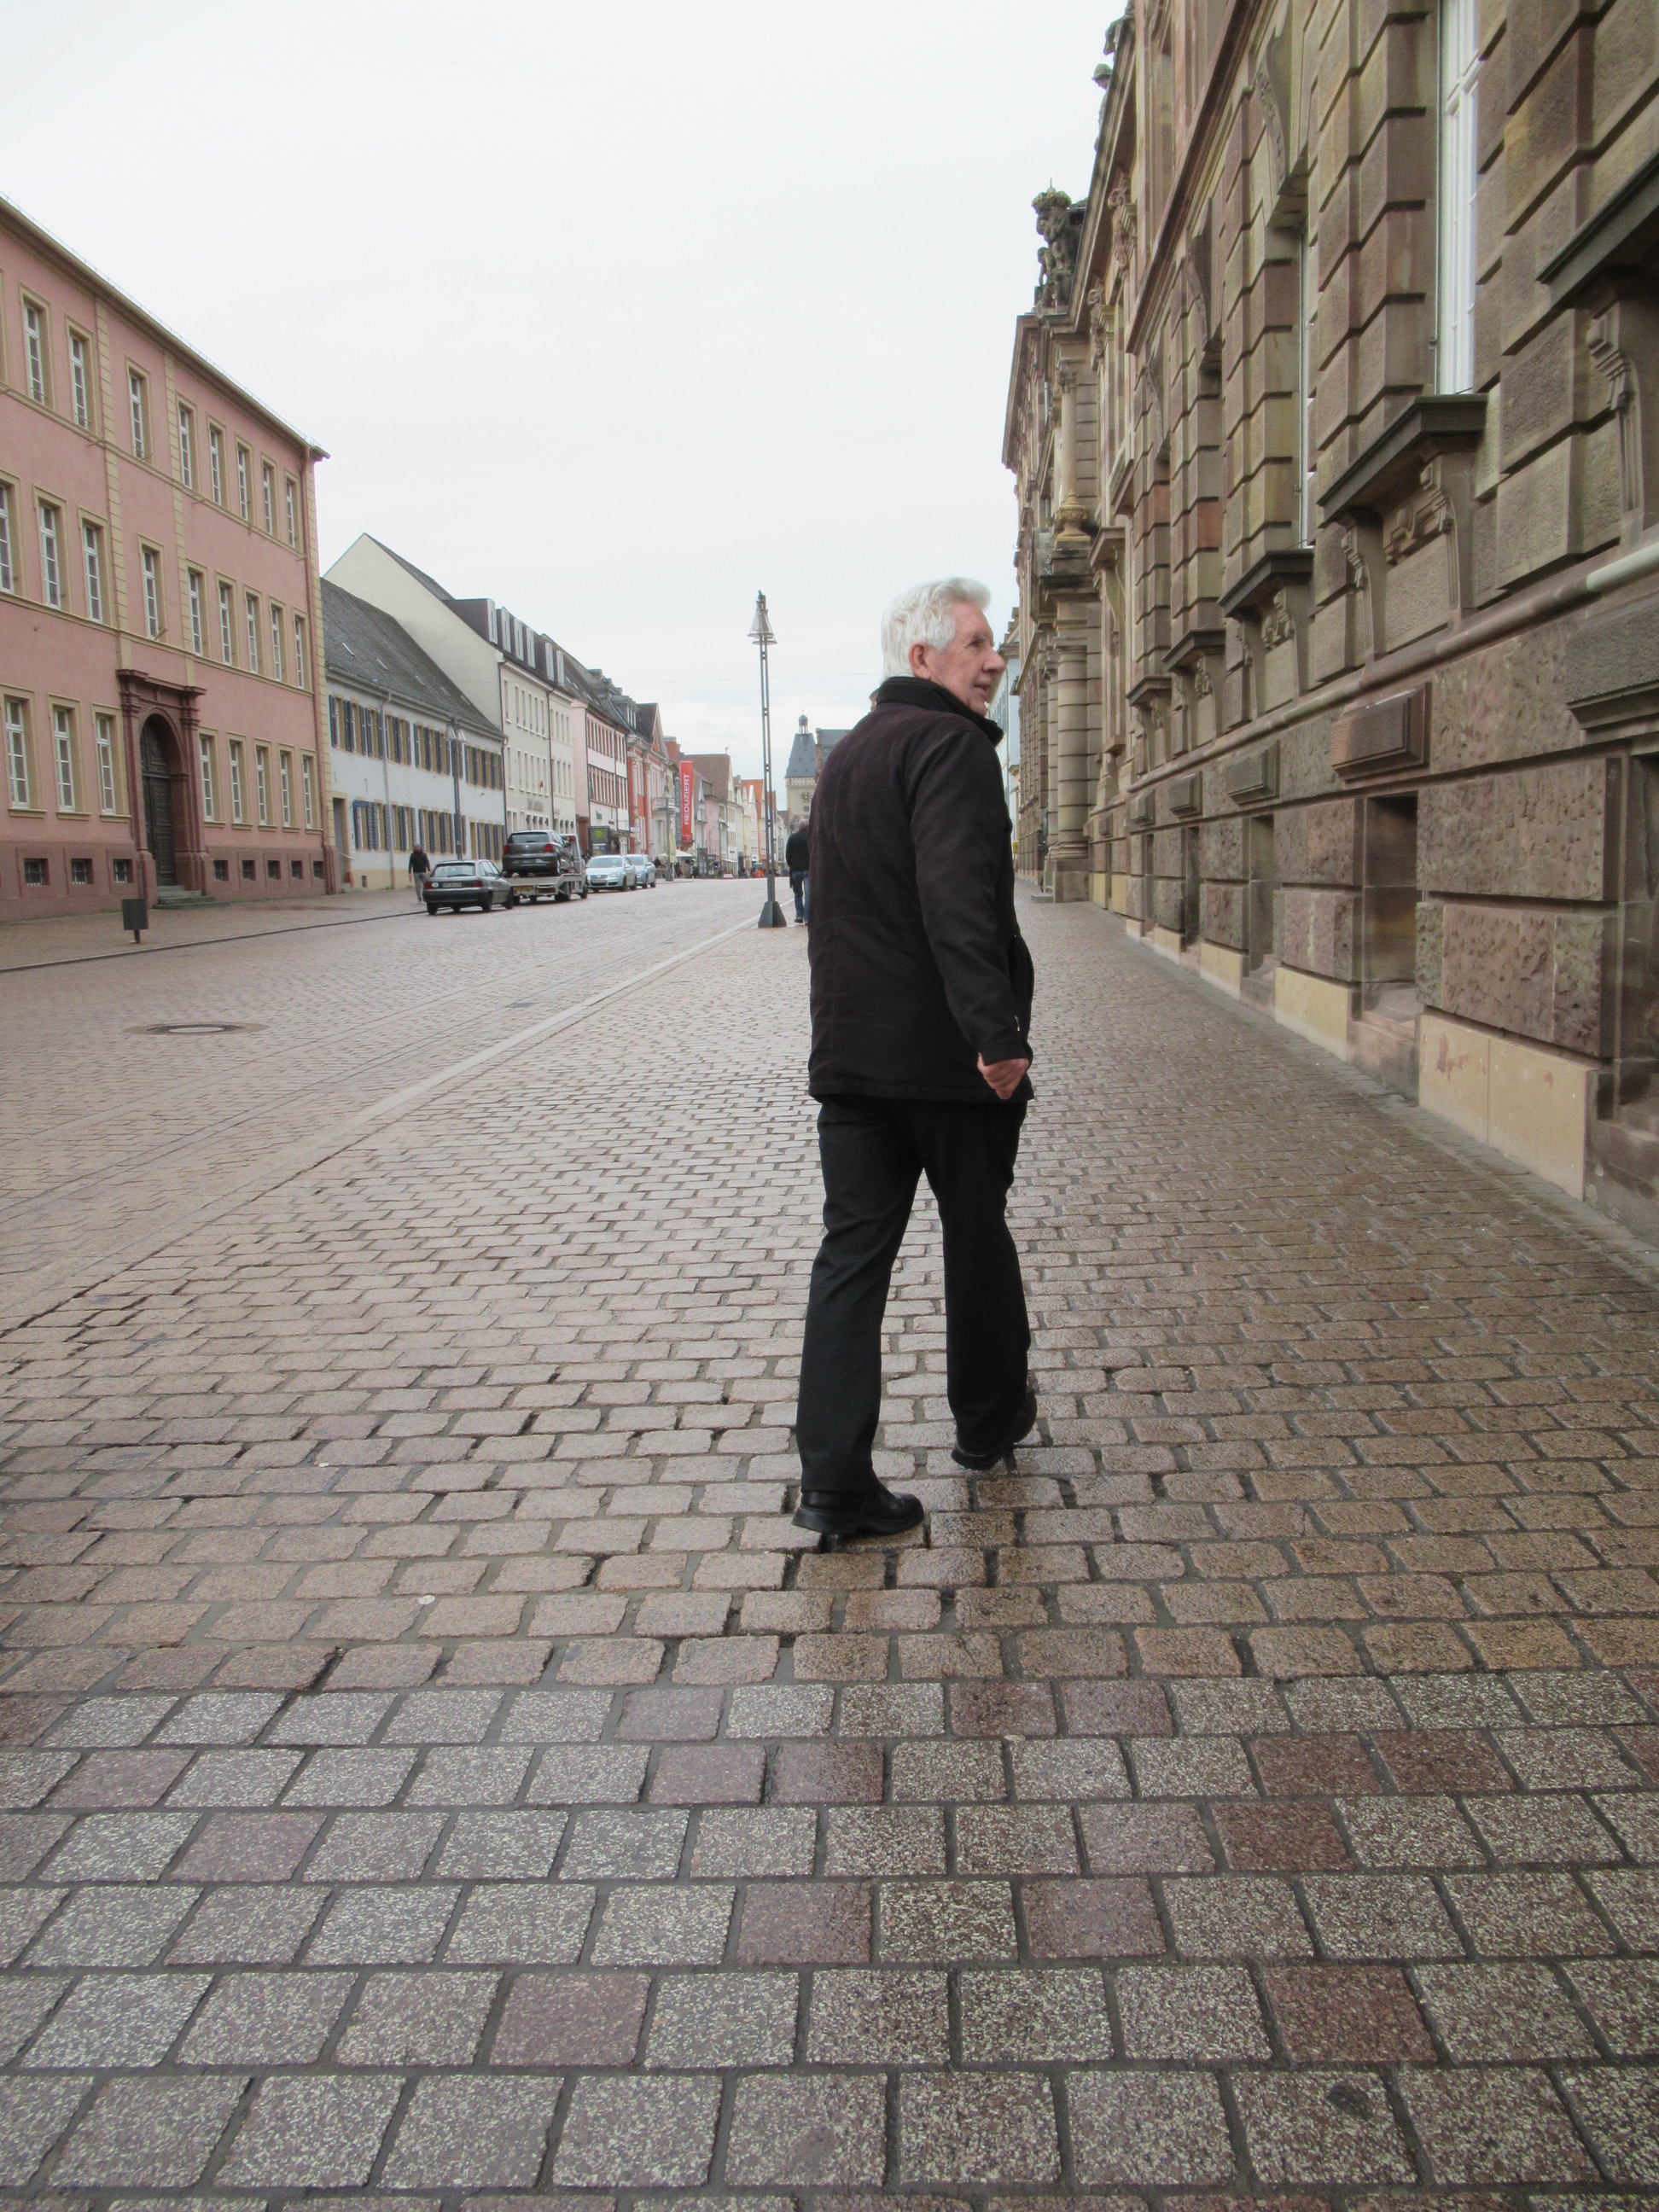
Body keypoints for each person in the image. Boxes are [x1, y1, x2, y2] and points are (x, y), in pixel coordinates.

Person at [792, 579, 1035, 1542]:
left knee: (850, 1262)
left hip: (853, 1064)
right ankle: (986, 1423)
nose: (994, 661)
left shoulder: (848, 757)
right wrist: (996, 1035)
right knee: (977, 1238)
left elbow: (832, 910)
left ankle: (833, 1481)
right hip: (947, 1065)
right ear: (923, 658)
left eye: (993, 645)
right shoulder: (952, 747)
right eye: (976, 644)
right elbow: (955, 896)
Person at [784, 820, 811, 923]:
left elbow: (788, 854)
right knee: (808, 894)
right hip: (808, 869)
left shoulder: (792, 838)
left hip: (795, 870)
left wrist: (791, 865)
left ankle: (799, 915)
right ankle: (807, 918)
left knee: (798, 894)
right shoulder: (810, 837)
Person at [408, 842, 431, 906]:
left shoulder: (424, 855)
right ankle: (419, 899)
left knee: (425, 885)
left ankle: (424, 897)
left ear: (421, 848)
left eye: (419, 848)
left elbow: (427, 862)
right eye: (416, 848)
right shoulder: (412, 855)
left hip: (423, 872)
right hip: (416, 873)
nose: (418, 849)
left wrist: (429, 870)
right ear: (414, 848)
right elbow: (410, 864)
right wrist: (409, 872)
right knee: (418, 886)